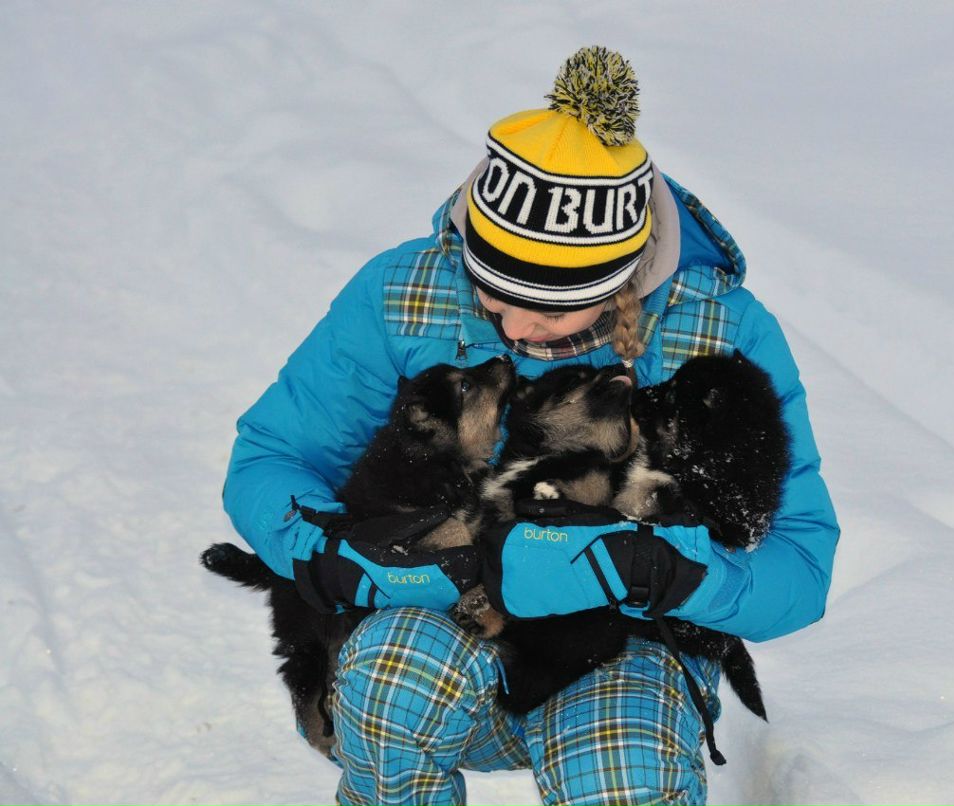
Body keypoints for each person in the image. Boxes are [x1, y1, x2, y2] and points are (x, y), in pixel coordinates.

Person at [221, 47, 839, 806]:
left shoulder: (718, 333)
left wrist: (667, 570)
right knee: (391, 686)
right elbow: (275, 456)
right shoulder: (406, 291)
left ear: (618, 281)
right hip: (443, 619)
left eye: (548, 309)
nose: (514, 328)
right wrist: (324, 553)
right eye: (490, 293)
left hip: (622, 651)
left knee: (623, 779)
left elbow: (800, 567)